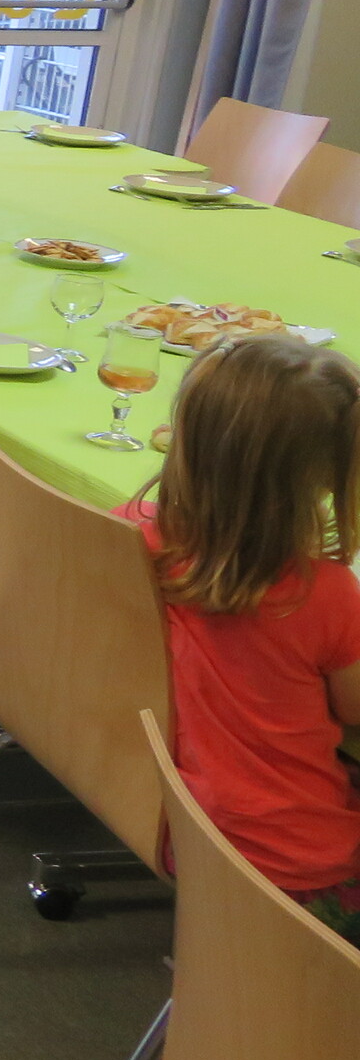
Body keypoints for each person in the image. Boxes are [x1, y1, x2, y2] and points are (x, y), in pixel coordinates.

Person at [121, 335, 360, 943]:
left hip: (176, 823)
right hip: (299, 866)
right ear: (326, 475)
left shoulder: (136, 537)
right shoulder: (325, 594)